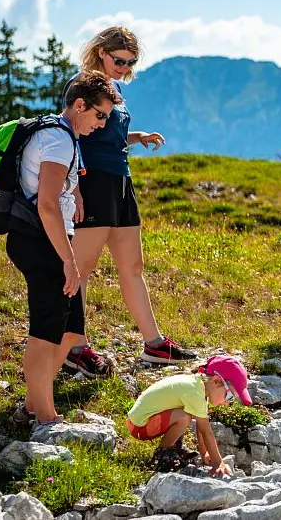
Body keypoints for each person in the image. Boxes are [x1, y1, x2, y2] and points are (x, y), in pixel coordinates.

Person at [62, 26, 196, 378]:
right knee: (81, 269)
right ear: (100, 52)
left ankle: (154, 344)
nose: (123, 67)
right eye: (118, 60)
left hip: (121, 182)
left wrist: (138, 136)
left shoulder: (114, 89)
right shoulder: (81, 87)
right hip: (92, 183)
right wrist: (73, 187)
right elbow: (70, 134)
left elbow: (110, 136)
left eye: (130, 62)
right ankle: (75, 348)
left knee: (133, 266)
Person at [9, 73, 121, 426]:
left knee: (69, 329)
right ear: (78, 106)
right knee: (45, 331)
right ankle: (45, 416)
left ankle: (31, 405)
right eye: (99, 115)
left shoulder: (61, 136)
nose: (102, 125)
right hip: (42, 242)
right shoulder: (58, 141)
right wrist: (69, 262)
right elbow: (46, 205)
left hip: (47, 240)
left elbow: (56, 197)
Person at [125, 354, 252, 476]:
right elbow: (206, 431)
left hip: (141, 421)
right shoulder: (194, 393)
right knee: (184, 417)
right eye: (229, 397)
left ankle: (174, 449)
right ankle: (163, 455)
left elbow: (200, 428)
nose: (226, 403)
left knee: (185, 415)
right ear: (217, 380)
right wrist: (218, 463)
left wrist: (204, 454)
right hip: (140, 426)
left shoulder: (198, 386)